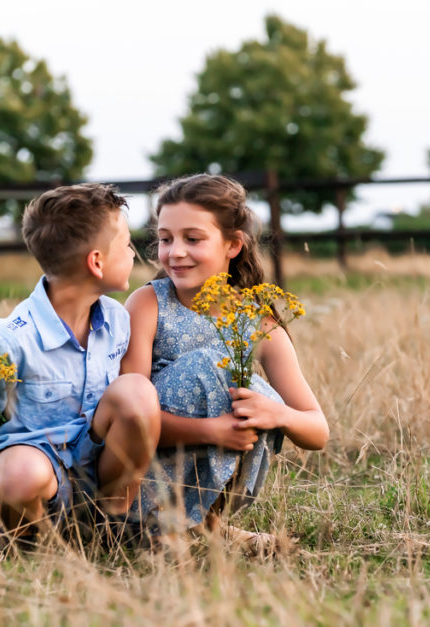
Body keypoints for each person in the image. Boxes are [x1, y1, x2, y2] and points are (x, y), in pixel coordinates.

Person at [0, 183, 161, 546]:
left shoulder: (116, 320)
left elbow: (125, 415)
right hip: (35, 476)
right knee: (20, 474)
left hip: (98, 468)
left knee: (137, 392)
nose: (133, 253)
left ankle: (114, 523)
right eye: (126, 244)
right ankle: (30, 538)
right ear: (96, 262)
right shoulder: (7, 341)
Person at [121, 174, 328, 552]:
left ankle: (204, 523)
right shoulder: (148, 304)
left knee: (256, 392)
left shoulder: (259, 323)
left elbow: (317, 430)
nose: (175, 252)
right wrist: (212, 431)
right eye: (166, 239)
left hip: (216, 464)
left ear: (233, 244)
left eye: (193, 239)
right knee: (210, 367)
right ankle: (149, 523)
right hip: (140, 473)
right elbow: (127, 415)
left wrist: (276, 414)